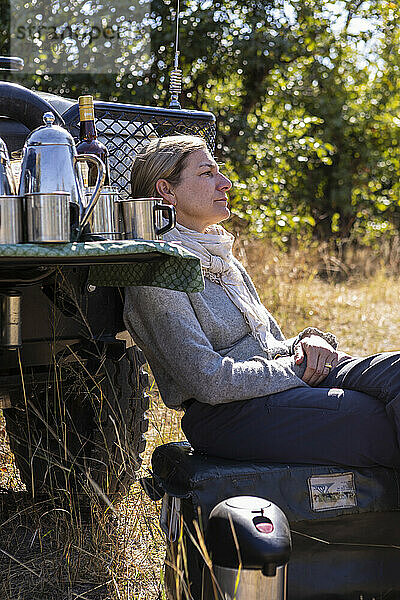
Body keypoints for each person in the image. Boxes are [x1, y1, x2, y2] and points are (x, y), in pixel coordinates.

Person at [124, 134, 400, 468]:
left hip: (276, 383)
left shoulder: (218, 255)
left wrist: (309, 341)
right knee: (371, 418)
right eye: (206, 173)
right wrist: (295, 369)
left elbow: (270, 344)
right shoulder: (156, 270)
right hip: (228, 415)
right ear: (167, 190)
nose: (225, 183)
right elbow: (207, 380)